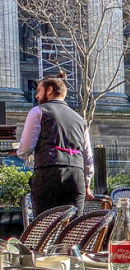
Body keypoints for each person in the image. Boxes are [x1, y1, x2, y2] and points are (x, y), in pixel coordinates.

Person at [17, 75, 94, 216]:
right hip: (75, 176)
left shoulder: (39, 111)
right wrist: (87, 183)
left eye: (39, 90)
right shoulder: (80, 120)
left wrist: (20, 153)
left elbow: (25, 148)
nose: (36, 95)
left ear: (49, 90)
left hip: (48, 173)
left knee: (45, 224)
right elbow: (87, 157)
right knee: (73, 226)